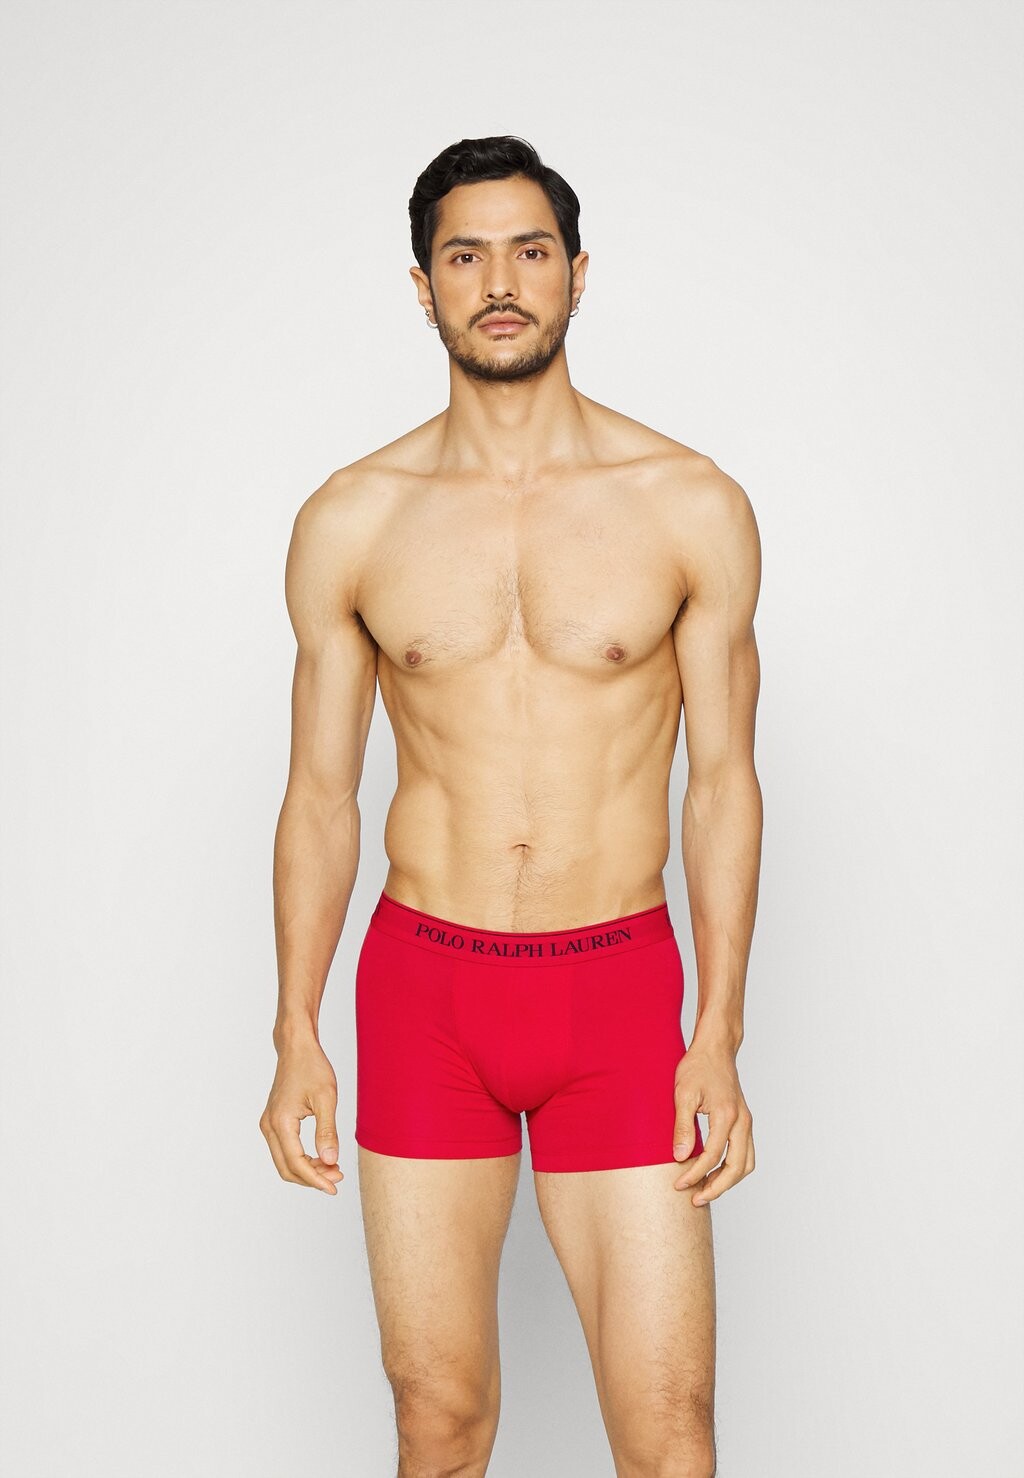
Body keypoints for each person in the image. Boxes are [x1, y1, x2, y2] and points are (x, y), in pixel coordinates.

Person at [260, 134, 761, 1478]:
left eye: (529, 251)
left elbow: (724, 782)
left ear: (577, 274)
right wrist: (295, 1026)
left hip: (617, 991)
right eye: (465, 255)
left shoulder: (690, 504)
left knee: (669, 1433)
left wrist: (717, 1029)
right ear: (422, 285)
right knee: (438, 1420)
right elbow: (320, 796)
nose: (499, 283)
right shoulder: (353, 518)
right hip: (426, 991)